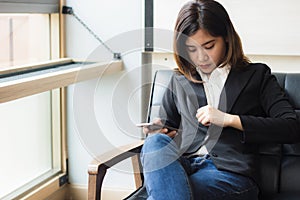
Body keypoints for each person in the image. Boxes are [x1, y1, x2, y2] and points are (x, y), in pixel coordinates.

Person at [140, 0, 300, 200]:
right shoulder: (179, 80)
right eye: (191, 49)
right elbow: (169, 129)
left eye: (209, 46)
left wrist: (229, 119)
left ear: (226, 38)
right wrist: (160, 129)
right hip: (184, 165)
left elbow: (290, 127)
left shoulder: (256, 75)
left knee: (171, 191)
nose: (201, 57)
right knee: (155, 142)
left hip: (231, 174)